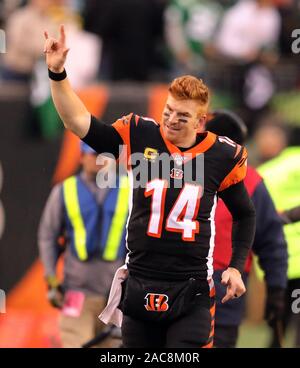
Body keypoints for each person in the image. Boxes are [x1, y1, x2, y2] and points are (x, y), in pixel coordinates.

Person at [43, 26, 256, 348]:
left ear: (200, 122)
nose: (170, 120)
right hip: (141, 281)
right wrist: (57, 73)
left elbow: (245, 214)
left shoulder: (221, 155)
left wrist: (237, 268)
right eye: (168, 111)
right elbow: (78, 122)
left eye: (182, 116)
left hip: (191, 287)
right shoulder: (140, 134)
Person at [206, 110, 287, 348]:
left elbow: (272, 242)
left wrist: (276, 290)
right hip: (181, 286)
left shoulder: (252, 183)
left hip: (225, 292)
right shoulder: (182, 173)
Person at [38, 141, 128, 348]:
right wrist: (51, 280)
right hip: (75, 293)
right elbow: (47, 236)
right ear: (81, 157)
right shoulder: (65, 190)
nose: (98, 161)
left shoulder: (129, 189)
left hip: (116, 297)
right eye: (92, 154)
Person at [258, 145, 300, 347]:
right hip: (297, 260)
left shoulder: (266, 170)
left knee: (279, 324)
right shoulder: (296, 164)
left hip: (276, 258)